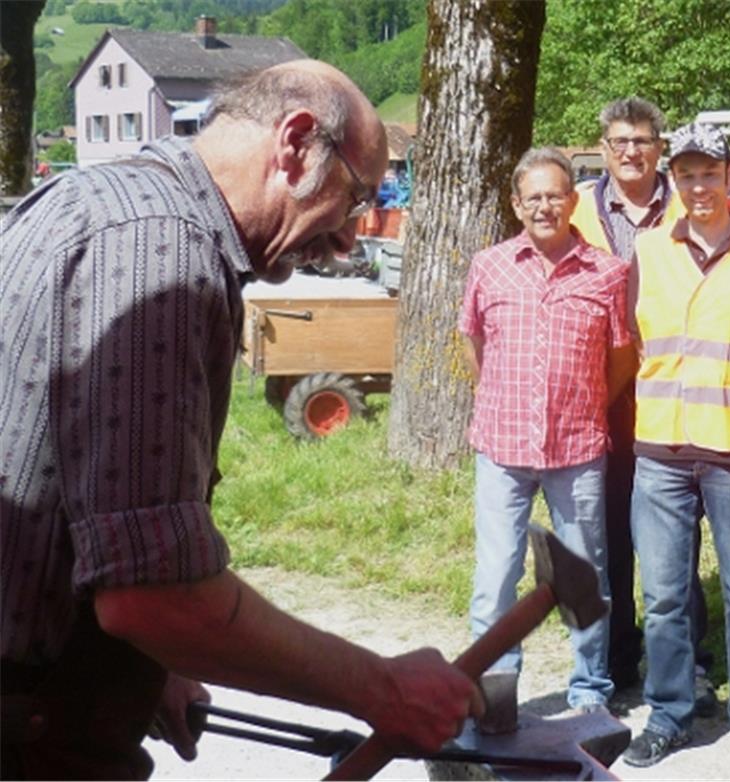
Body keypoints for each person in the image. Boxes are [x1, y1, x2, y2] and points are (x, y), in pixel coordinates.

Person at [0, 60, 482, 780]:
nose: (351, 238)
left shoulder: (87, 201)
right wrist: (383, 690)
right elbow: (154, 598)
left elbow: (58, 492)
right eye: (355, 198)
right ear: (293, 144)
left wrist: (142, 670)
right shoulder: (159, 255)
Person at [622, 122, 730, 776]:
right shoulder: (648, 248)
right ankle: (668, 715)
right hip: (660, 449)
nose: (698, 186)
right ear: (674, 179)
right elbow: (633, 341)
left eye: (709, 173)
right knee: (663, 595)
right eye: (686, 174)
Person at [458, 147, 635, 714]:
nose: (544, 206)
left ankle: (589, 692)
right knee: (496, 577)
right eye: (533, 197)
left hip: (577, 448)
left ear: (572, 201)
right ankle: (496, 691)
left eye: (555, 195)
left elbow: (622, 357)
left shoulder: (608, 273)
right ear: (516, 204)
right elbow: (472, 340)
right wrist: (500, 397)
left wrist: (582, 404)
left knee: (585, 576)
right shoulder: (489, 265)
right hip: (503, 447)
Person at [567, 97, 716, 713]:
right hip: (595, 388)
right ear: (602, 147)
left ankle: (690, 661)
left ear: (661, 148)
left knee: (673, 534)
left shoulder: (690, 202)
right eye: (620, 140)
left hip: (671, 389)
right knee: (602, 532)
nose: (632, 151)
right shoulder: (572, 208)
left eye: (644, 140)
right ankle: (616, 657)